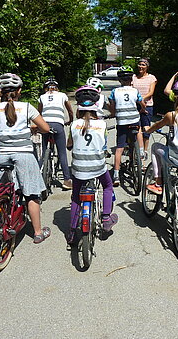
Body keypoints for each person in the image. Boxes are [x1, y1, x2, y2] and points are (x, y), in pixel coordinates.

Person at [0, 73, 51, 244]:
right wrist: (31, 128)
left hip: (3, 156)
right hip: (25, 155)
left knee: (1, 192)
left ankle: (1, 222)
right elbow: (45, 128)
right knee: (31, 194)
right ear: (19, 91)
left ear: (0, 91)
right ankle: (37, 232)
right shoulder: (27, 107)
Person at [65, 86, 118, 244]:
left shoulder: (74, 125)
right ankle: (107, 218)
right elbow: (104, 145)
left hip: (78, 169)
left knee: (76, 197)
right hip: (97, 167)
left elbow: (69, 145)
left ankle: (73, 231)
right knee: (107, 186)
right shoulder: (102, 125)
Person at [108, 65, 146, 186]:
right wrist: (142, 110)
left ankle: (116, 175)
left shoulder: (114, 92)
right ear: (131, 79)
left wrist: (113, 114)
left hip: (122, 122)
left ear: (120, 80)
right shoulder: (135, 91)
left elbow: (112, 107)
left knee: (119, 148)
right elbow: (142, 103)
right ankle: (141, 151)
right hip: (133, 119)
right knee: (138, 130)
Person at [38, 77, 74, 190]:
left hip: (44, 124)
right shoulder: (62, 95)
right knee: (62, 152)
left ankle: (39, 179)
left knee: (43, 151)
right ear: (56, 88)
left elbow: (38, 113)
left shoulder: (42, 97)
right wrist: (70, 120)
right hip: (58, 124)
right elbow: (70, 110)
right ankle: (67, 180)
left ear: (46, 88)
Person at [132, 58, 158, 158]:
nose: (141, 66)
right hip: (134, 105)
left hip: (148, 105)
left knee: (146, 129)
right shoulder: (133, 77)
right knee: (134, 128)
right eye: (139, 64)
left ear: (147, 66)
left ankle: (144, 152)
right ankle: (134, 150)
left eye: (143, 65)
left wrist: (141, 99)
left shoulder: (152, 78)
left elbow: (151, 92)